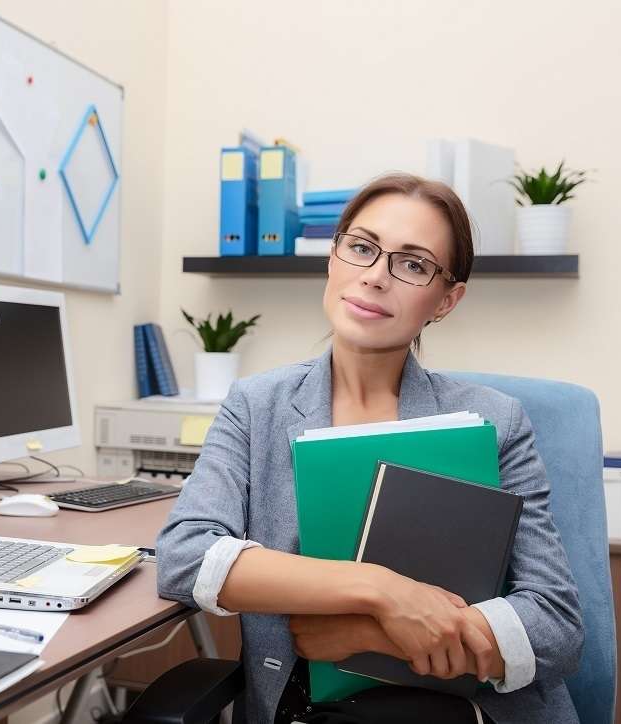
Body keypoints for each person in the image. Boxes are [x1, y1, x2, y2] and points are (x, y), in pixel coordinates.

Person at [156, 173, 583, 724]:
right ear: (333, 259)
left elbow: (556, 624)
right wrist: (382, 592)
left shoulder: (494, 421)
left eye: (413, 264)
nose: (376, 277)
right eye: (361, 248)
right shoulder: (255, 405)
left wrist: (364, 634)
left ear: (446, 300)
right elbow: (185, 557)